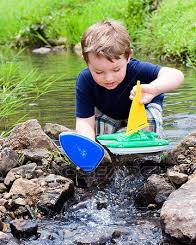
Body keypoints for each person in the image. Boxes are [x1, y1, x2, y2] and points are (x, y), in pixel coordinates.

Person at [75, 19, 184, 141]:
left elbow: (176, 75)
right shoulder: (85, 79)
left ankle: (150, 153)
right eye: (99, 72)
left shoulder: (137, 69)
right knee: (102, 138)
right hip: (109, 113)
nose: (108, 78)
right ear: (87, 63)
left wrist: (154, 88)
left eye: (116, 70)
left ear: (128, 56)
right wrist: (89, 145)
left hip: (144, 109)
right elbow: (84, 122)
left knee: (148, 125)